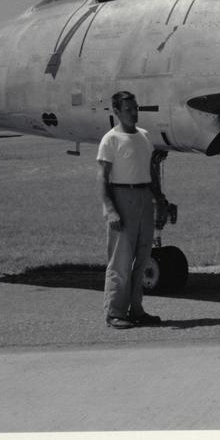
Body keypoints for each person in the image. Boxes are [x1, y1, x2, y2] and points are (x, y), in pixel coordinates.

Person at [97, 90, 164, 328]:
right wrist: (110, 209)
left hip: (144, 196)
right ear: (116, 112)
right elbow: (102, 177)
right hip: (121, 195)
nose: (134, 113)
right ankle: (115, 312)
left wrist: (160, 200)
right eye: (128, 110)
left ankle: (136, 309)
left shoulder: (144, 136)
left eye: (136, 108)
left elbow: (151, 173)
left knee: (143, 256)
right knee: (120, 260)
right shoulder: (110, 140)